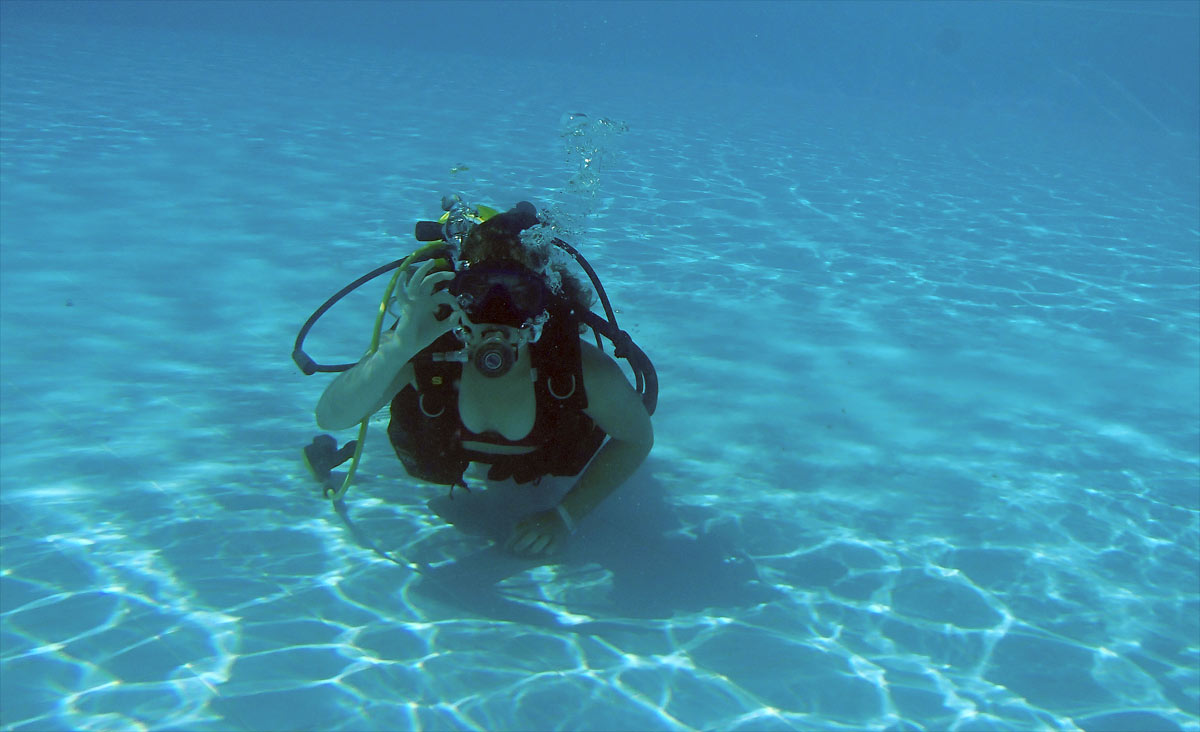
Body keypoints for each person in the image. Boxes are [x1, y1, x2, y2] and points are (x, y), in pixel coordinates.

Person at [308, 201, 654, 558]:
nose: (497, 317)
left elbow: (636, 438)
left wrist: (564, 516)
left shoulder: (571, 369)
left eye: (520, 297)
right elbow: (332, 418)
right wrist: (397, 348)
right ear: (458, 297)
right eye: (478, 294)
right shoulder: (425, 348)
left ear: (543, 304)